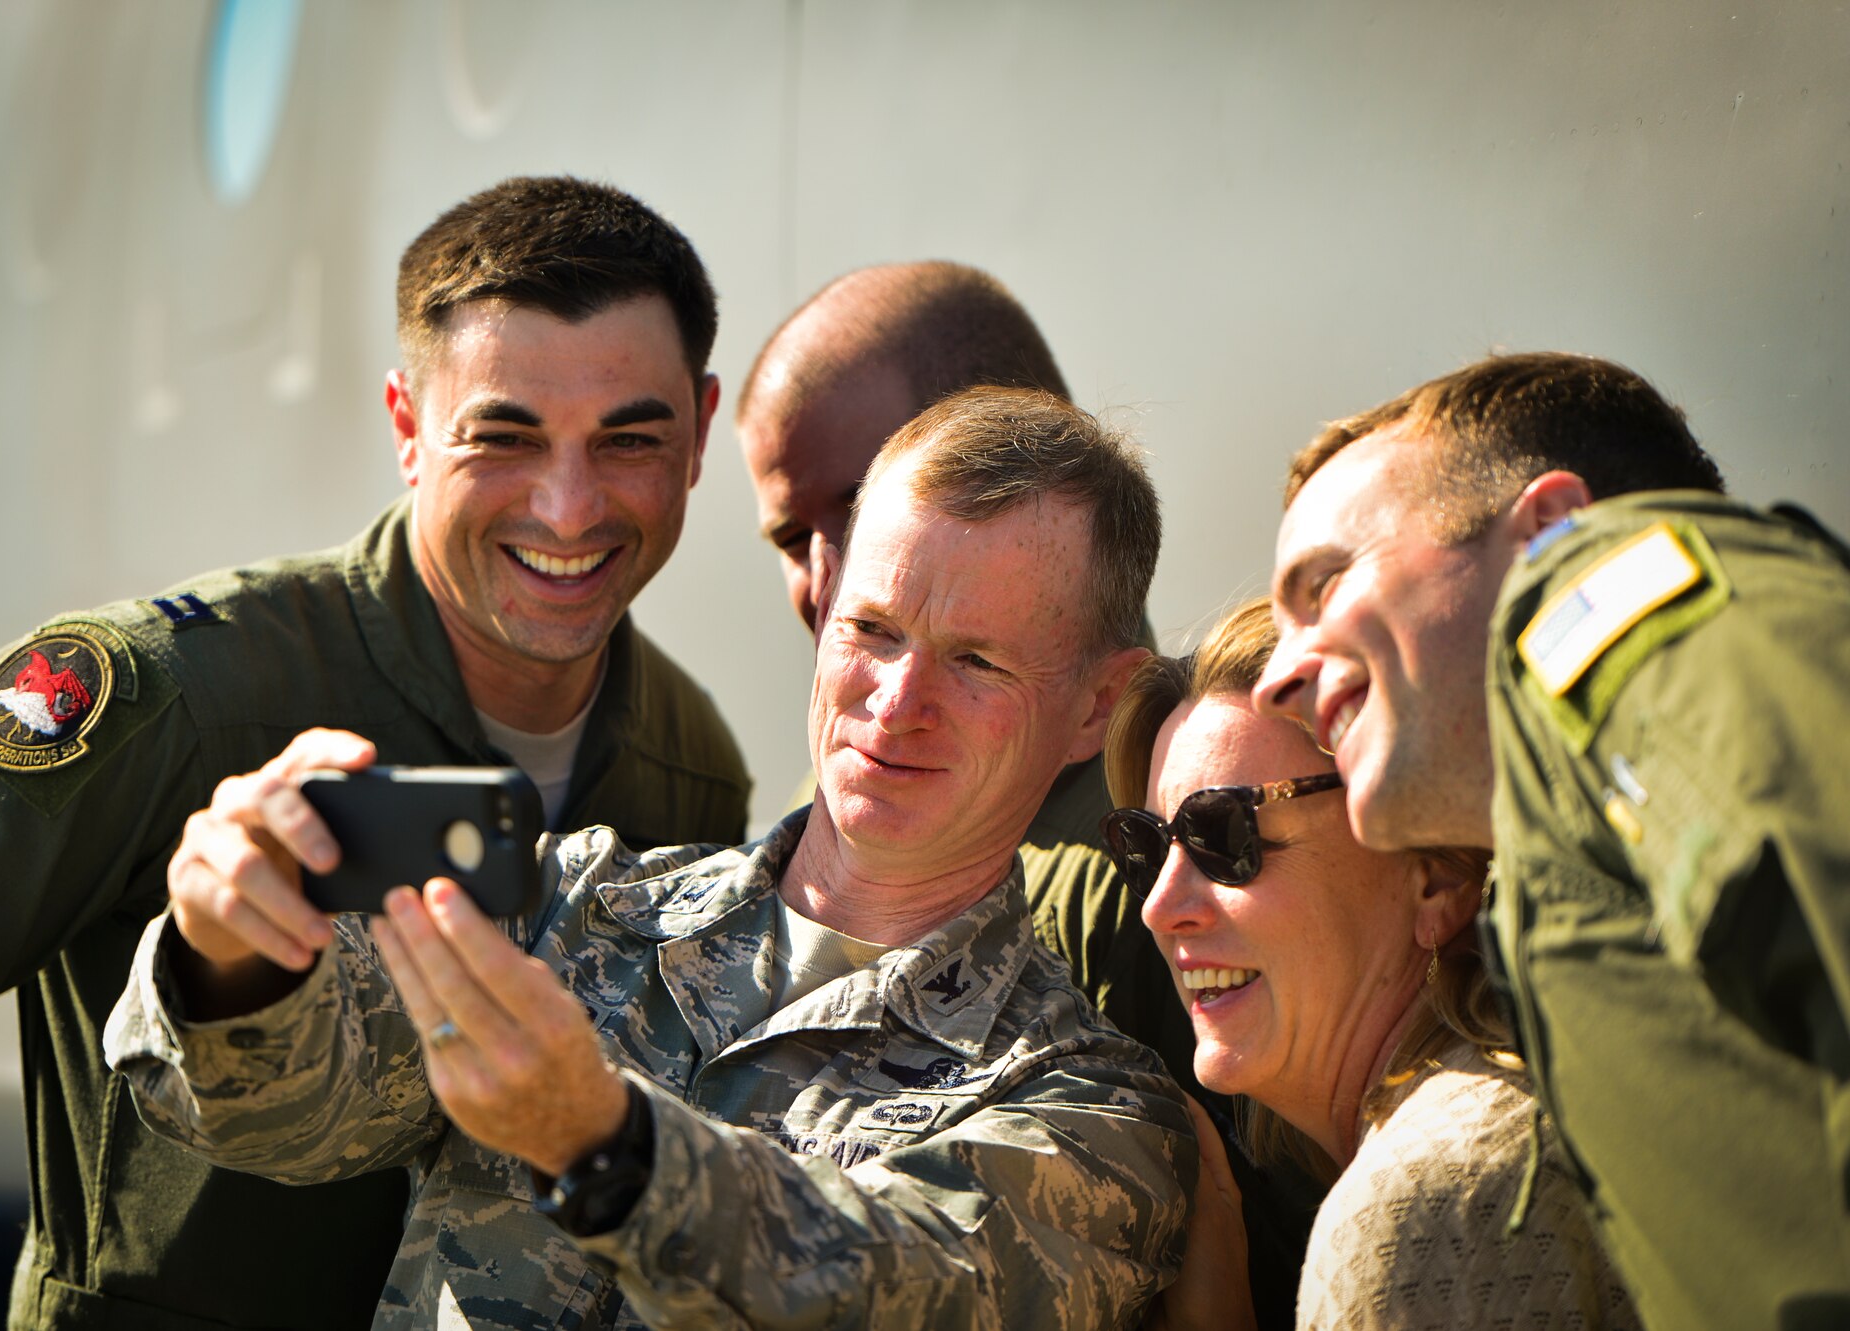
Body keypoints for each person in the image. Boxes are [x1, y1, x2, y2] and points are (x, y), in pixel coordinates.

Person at [0, 176, 750, 1331]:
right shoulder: (173, 699)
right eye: (503, 435)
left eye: (629, 437)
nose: (569, 508)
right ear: (407, 428)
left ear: (700, 432)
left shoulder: (691, 764)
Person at [106, 386, 1192, 1328]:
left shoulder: (1089, 1111)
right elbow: (271, 1115)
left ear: (1096, 703)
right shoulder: (574, 906)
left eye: (977, 661)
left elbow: (897, 1289)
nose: (897, 701)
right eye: (872, 628)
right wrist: (234, 948)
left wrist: (603, 1139)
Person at [737, 265, 1312, 1327]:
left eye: (862, 507)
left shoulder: (1168, 860)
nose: (827, 580)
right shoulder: (827, 815)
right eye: (789, 537)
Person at [1252, 351, 1850, 1330]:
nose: (1277, 678)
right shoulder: (1566, 827)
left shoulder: (1607, 594)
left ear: (1547, 525)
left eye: (1320, 585)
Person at [1103, 598, 1639, 1330]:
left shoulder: (1423, 1210)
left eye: (1222, 832)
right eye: (1147, 843)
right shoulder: (1536, 1108)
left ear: (1436, 873)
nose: (1160, 906)